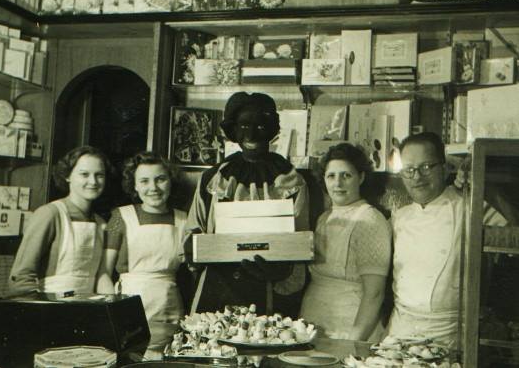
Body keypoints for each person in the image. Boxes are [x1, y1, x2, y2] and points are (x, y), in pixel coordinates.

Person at [185, 91, 310, 317]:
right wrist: (192, 248)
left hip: (268, 288)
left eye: (260, 126)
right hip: (217, 287)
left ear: (271, 129)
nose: (251, 134)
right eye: (244, 126)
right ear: (233, 129)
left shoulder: (291, 180)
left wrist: (283, 268)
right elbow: (194, 226)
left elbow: (300, 238)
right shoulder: (213, 178)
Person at [387, 132, 506, 345]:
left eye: (426, 167)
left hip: (451, 334)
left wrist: (483, 185)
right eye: (409, 170)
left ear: (444, 168)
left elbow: (510, 236)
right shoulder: (399, 218)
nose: (417, 178)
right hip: (401, 330)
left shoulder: (469, 207)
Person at [300, 143, 392, 341]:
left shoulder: (370, 219)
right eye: (331, 176)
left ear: (361, 177)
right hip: (312, 323)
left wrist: (352, 343)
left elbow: (374, 294)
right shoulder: (324, 218)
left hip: (349, 329)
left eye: (346, 175)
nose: (338, 183)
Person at [96, 152, 188, 324]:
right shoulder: (121, 217)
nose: (153, 188)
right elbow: (103, 274)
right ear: (135, 186)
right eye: (144, 181)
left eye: (160, 179)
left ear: (170, 181)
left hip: (170, 310)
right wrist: (113, 310)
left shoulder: (184, 220)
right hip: (129, 307)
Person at [9, 146, 111, 294]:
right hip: (49, 310)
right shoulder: (49, 214)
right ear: (67, 176)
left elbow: (101, 276)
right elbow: (21, 278)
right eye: (84, 174)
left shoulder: (101, 224)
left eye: (99, 175)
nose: (93, 181)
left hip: (87, 309)